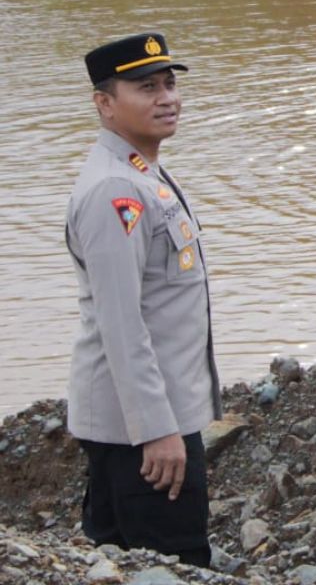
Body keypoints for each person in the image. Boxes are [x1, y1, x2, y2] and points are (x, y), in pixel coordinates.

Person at [67, 33, 221, 568]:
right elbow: (121, 324)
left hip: (148, 418)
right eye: (146, 87)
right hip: (145, 430)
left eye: (170, 83)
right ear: (105, 103)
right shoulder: (117, 191)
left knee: (126, 558)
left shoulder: (141, 170)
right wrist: (157, 429)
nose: (166, 97)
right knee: (174, 563)